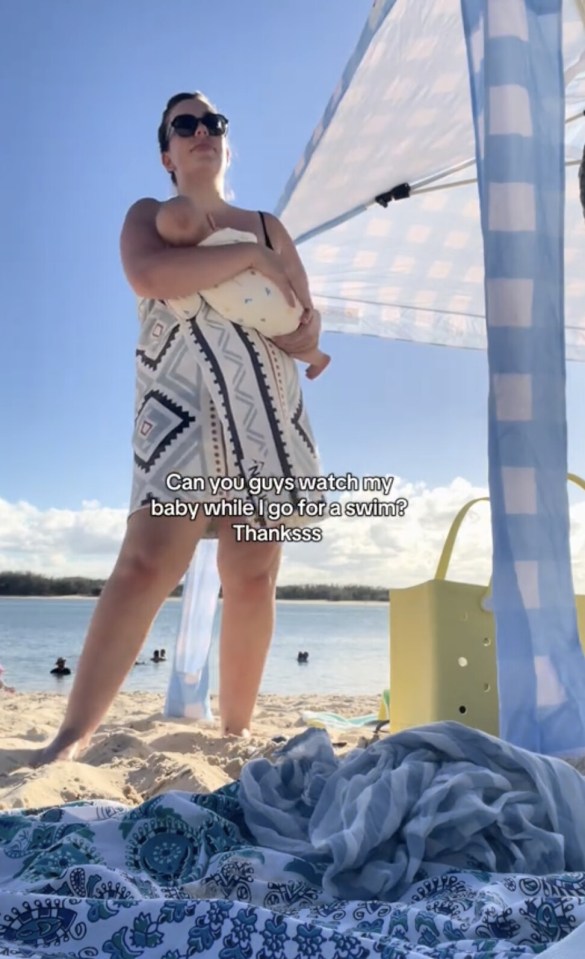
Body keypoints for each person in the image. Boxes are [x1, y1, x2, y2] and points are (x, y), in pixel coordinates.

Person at [32, 91, 324, 765]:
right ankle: (71, 736)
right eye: (184, 125)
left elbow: (303, 326)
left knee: (253, 572)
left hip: (264, 411)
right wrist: (250, 262)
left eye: (213, 122)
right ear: (166, 152)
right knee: (145, 563)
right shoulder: (147, 214)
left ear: (227, 141)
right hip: (179, 404)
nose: (202, 132)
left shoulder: (269, 225)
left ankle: (235, 732)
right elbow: (151, 274)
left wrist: (308, 332)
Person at [155, 195, 330, 379]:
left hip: (269, 328)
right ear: (211, 220)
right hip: (289, 304)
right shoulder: (231, 237)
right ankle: (317, 357)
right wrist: (306, 302)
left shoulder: (195, 274)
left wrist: (173, 298)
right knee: (298, 341)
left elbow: (188, 308)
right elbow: (265, 252)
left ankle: (317, 358)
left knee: (289, 346)